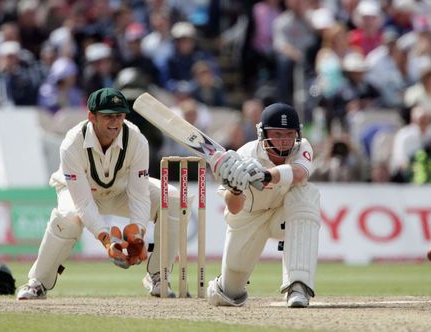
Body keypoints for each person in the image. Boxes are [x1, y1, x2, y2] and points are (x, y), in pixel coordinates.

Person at [16, 88, 183, 299]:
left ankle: (159, 276)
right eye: (108, 116)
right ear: (91, 116)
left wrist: (137, 235)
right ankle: (37, 283)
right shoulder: (71, 144)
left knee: (174, 198)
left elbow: (139, 194)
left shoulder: (137, 141)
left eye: (119, 116)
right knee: (68, 218)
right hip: (82, 192)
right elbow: (83, 204)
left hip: (119, 192)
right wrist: (107, 240)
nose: (115, 122)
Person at [207, 103, 321, 308]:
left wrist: (267, 175)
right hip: (248, 219)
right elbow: (234, 208)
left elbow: (300, 173)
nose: (284, 140)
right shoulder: (243, 156)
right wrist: (235, 189)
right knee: (228, 295)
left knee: (307, 195)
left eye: (289, 133)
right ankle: (220, 286)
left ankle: (298, 286)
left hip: (282, 214)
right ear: (263, 133)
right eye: (277, 133)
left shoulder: (302, 146)